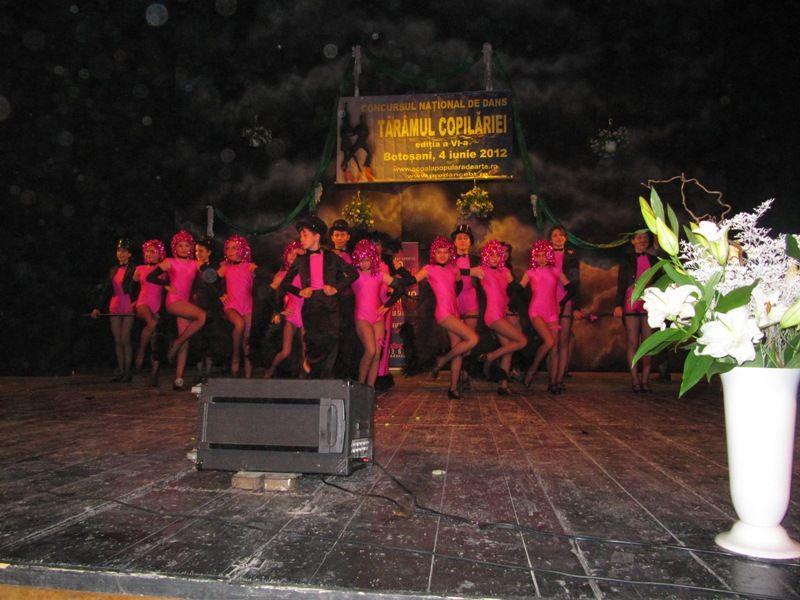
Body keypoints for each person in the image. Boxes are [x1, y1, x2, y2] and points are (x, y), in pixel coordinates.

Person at [280, 216, 358, 378]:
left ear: (316, 236)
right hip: (311, 308)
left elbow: (353, 273)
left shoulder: (331, 257)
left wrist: (336, 288)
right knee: (314, 344)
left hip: (330, 308)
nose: (301, 239)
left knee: (331, 342)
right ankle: (315, 380)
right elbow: (285, 283)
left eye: (305, 235)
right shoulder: (301, 260)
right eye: (301, 235)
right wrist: (299, 291)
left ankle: (327, 381)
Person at [414, 236, 479, 399]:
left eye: (445, 252)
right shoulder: (429, 268)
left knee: (458, 349)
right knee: (472, 339)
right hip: (443, 313)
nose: (442, 255)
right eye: (439, 252)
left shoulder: (454, 268)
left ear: (450, 253)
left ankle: (453, 388)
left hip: (454, 311)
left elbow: (459, 284)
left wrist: (454, 297)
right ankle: (442, 361)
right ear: (433, 254)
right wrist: (398, 274)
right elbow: (412, 280)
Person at [147, 230, 206, 391]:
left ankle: (178, 379)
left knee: (186, 340)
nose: (184, 248)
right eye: (180, 246)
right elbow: (150, 277)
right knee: (201, 316)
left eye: (187, 245)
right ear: (175, 247)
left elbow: (209, 274)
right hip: (174, 301)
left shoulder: (195, 263)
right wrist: (165, 284)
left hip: (185, 303)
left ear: (191, 247)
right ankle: (176, 344)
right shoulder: (169, 261)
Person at [350, 239, 408, 387]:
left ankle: (370, 388)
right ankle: (360, 386)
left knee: (376, 354)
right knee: (370, 351)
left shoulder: (379, 275)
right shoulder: (354, 274)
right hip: (362, 317)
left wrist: (387, 305)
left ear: (373, 259)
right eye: (361, 260)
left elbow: (400, 288)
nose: (364, 263)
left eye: (367, 260)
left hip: (377, 317)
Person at [475, 240, 528, 395]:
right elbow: (459, 271)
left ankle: (503, 386)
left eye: (498, 255)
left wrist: (513, 306)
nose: (495, 258)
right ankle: (490, 357)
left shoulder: (505, 271)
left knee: (508, 349)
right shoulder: (481, 270)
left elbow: (515, 291)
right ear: (486, 256)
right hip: (493, 316)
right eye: (491, 255)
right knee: (522, 341)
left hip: (503, 314)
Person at [521, 240, 571, 394]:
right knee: (549, 342)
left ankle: (553, 383)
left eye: (544, 255)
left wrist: (561, 303)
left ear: (548, 255)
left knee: (554, 348)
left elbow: (571, 289)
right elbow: (518, 289)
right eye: (538, 256)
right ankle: (533, 369)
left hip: (552, 312)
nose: (541, 258)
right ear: (534, 257)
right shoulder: (530, 272)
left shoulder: (556, 271)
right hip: (536, 310)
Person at [613, 229, 658, 392]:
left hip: (649, 301)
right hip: (631, 301)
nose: (642, 240)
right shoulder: (626, 259)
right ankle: (635, 380)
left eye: (645, 237)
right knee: (632, 342)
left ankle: (645, 380)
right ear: (632, 241)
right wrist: (617, 305)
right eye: (638, 237)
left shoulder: (654, 259)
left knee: (648, 343)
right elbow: (621, 283)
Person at [91, 238, 136, 382]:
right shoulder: (113, 269)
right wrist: (97, 307)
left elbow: (140, 287)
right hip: (115, 304)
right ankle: (121, 371)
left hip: (128, 304)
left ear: (129, 254)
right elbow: (105, 289)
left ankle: (128, 371)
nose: (121, 254)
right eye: (119, 251)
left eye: (124, 251)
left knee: (125, 338)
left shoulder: (134, 269)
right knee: (117, 340)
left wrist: (137, 302)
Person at [264, 241, 305, 379]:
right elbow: (268, 294)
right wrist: (278, 311)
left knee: (306, 352)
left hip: (305, 313)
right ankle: (270, 371)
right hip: (291, 313)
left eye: (296, 254)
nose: (292, 256)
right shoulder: (282, 274)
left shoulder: (306, 272)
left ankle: (304, 380)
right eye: (290, 253)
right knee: (286, 351)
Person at [549, 225, 583, 392]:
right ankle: (551, 379)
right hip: (548, 301)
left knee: (563, 342)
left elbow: (576, 283)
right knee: (552, 343)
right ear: (550, 239)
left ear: (565, 238)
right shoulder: (543, 255)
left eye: (561, 235)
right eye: (555, 235)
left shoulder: (572, 256)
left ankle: (559, 380)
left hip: (566, 300)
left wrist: (576, 306)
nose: (558, 238)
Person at [218, 235, 257, 378]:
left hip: (247, 305)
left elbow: (264, 280)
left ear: (242, 249)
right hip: (231, 305)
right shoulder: (225, 267)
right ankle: (235, 355)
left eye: (234, 248)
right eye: (228, 248)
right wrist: (220, 294)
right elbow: (210, 282)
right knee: (239, 324)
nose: (230, 251)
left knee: (247, 341)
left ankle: (248, 379)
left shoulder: (250, 266)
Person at [451, 224, 482, 390]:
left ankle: (465, 374)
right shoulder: (447, 258)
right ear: (454, 242)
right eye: (459, 238)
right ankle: (455, 377)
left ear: (470, 242)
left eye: (466, 238)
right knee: (457, 342)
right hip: (454, 301)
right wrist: (469, 271)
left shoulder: (477, 260)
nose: (462, 241)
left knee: (470, 340)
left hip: (471, 301)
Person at [133, 239, 166, 386]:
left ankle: (154, 374)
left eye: (153, 251)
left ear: (159, 254)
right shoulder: (139, 269)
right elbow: (132, 287)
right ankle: (141, 351)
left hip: (157, 305)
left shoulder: (163, 268)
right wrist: (132, 300)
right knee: (151, 323)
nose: (149, 254)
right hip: (143, 302)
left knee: (155, 339)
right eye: (147, 251)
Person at [192, 237, 224, 383]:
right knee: (198, 339)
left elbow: (215, 284)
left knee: (210, 338)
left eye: (201, 251)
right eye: (196, 251)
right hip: (196, 306)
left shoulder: (215, 267)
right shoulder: (193, 266)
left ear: (209, 252)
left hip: (212, 307)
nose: (198, 253)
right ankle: (199, 373)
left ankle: (209, 372)